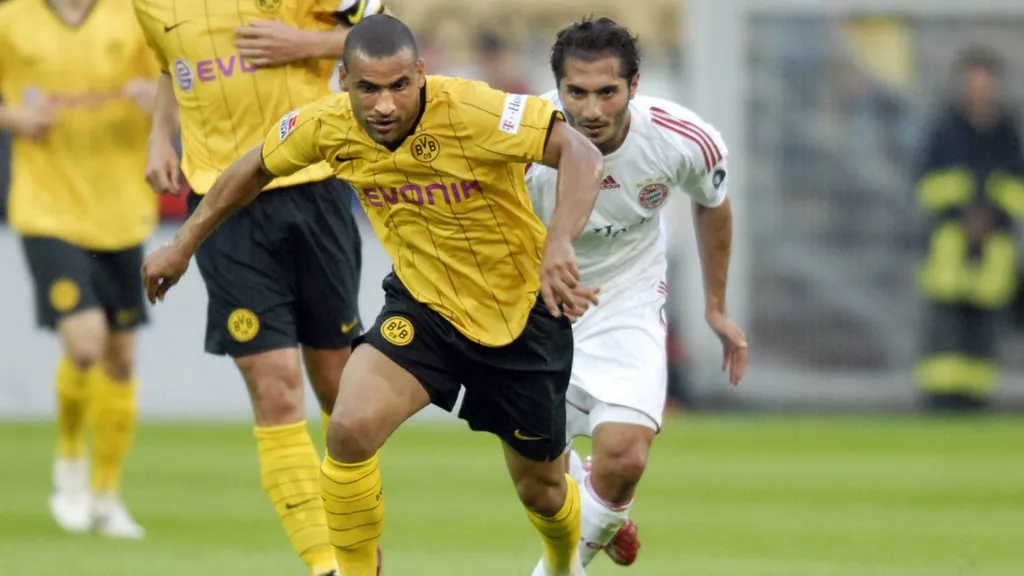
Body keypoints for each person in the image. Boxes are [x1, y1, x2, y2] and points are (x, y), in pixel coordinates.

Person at [142, 14, 605, 576]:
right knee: (349, 429)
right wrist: (181, 245)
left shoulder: (473, 109)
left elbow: (581, 153)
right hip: (424, 311)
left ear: (421, 74)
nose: (384, 104)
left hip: (521, 317)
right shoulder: (328, 124)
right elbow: (254, 166)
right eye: (368, 88)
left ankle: (563, 560)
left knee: (542, 492)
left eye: (398, 86)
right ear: (343, 81)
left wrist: (559, 241)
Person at [132, 0, 382, 574]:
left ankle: (357, 550)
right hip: (223, 203)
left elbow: (384, 40)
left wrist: (305, 44)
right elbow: (172, 64)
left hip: (313, 185)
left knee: (341, 393)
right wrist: (159, 136)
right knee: (274, 387)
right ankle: (325, 563)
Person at [524, 17, 748, 571]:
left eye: (607, 92)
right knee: (540, 486)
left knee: (624, 458)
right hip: (536, 302)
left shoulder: (680, 138)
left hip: (627, 296)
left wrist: (716, 307)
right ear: (557, 87)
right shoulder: (520, 139)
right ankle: (602, 511)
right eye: (576, 93)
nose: (592, 110)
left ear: (634, 85)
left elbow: (712, 204)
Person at [0, 0, 158, 539]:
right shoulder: (12, 19)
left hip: (122, 210)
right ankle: (69, 466)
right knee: (86, 342)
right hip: (46, 207)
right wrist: (12, 118)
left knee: (121, 358)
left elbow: (185, 84)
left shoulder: (133, 17)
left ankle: (106, 496)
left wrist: (158, 98)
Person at [914, 46, 1024, 411]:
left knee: (982, 337)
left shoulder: (1007, 134)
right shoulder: (945, 131)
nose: (980, 88)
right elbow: (926, 184)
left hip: (993, 251)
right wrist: (963, 209)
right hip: (949, 248)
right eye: (974, 80)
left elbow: (1017, 187)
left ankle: (975, 402)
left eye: (986, 81)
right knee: (945, 334)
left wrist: (992, 212)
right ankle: (940, 403)